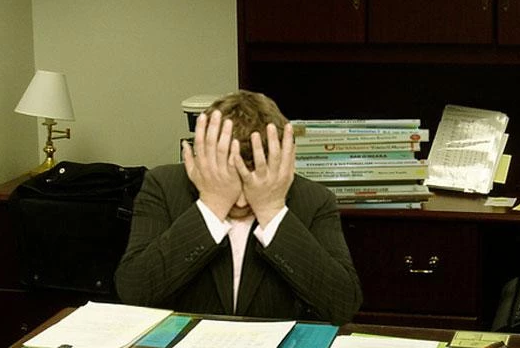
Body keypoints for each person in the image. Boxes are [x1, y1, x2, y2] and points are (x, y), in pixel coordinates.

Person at [115, 90, 362, 325]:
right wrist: (211, 206)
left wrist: (272, 211)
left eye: (252, 181)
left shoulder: (315, 199)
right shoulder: (163, 186)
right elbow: (134, 291)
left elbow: (341, 307)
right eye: (229, 180)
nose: (242, 202)